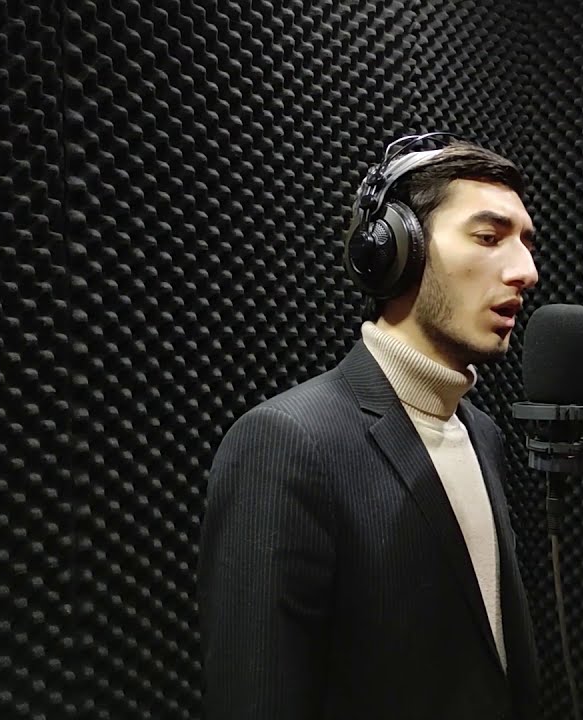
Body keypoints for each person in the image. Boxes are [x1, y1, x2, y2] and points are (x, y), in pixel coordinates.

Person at [198, 133, 542, 719]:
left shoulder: (481, 433)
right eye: (488, 237)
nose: (526, 271)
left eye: (527, 244)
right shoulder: (286, 442)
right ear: (394, 250)